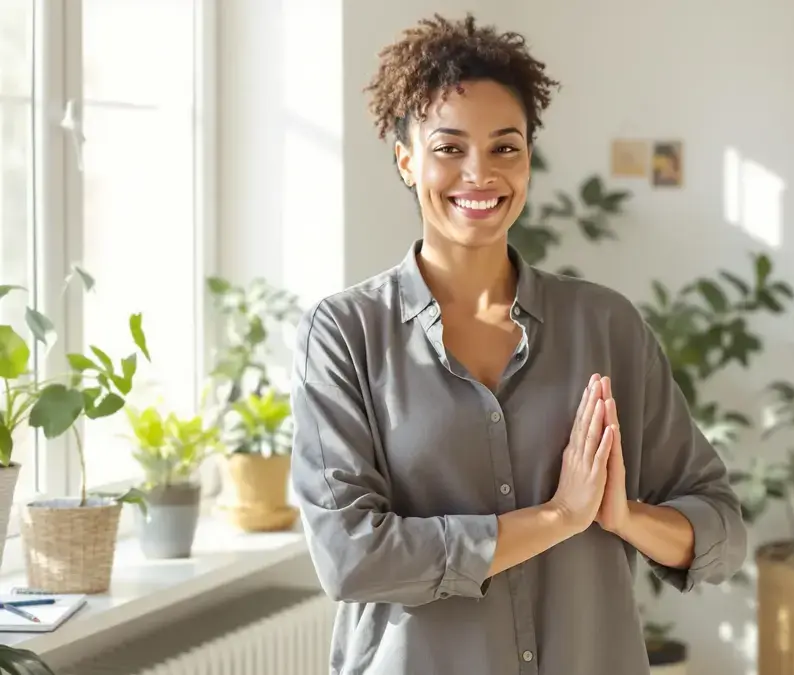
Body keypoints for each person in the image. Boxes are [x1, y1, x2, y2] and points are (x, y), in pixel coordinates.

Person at [290, 13, 746, 675]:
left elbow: (723, 532)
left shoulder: (606, 326)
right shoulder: (345, 335)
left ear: (528, 156)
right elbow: (352, 555)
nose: (480, 174)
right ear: (406, 160)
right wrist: (561, 515)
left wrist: (624, 514)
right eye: (449, 148)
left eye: (505, 147)